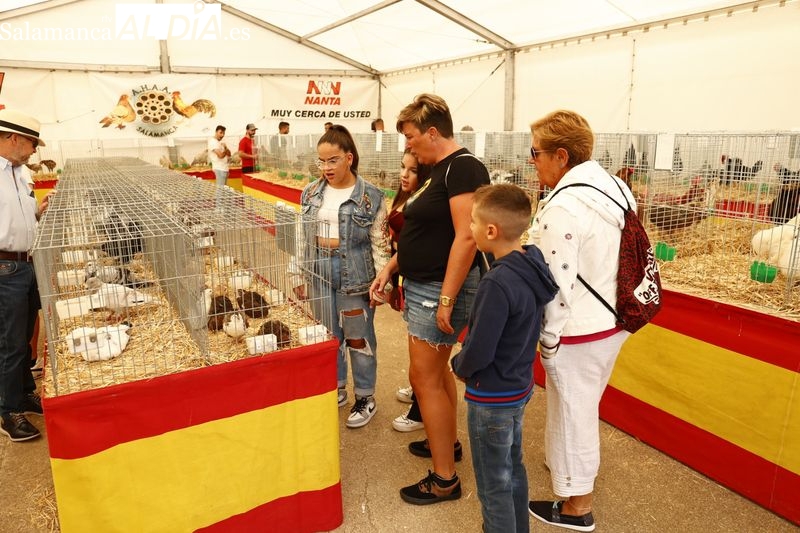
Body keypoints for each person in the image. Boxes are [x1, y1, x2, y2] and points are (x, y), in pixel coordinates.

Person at [370, 93, 490, 505]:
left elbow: (467, 236)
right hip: (425, 285)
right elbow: (427, 233)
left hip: (439, 290)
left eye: (410, 136)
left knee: (423, 379)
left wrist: (446, 299)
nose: (408, 145)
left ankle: (444, 479)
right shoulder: (439, 170)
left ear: (433, 132)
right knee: (434, 375)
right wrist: (392, 266)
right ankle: (447, 446)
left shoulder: (463, 168)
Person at [526, 110, 636, 532]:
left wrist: (548, 338)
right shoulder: (613, 186)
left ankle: (577, 507)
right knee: (579, 404)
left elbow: (558, 283)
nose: (532, 160)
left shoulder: (564, 206)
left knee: (575, 410)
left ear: (561, 155)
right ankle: (566, 471)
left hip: (579, 328)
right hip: (613, 316)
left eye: (536, 153)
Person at [451, 183, 557, 533]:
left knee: (493, 483)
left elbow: (480, 349)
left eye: (473, 223)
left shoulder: (496, 284)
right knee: (513, 467)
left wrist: (459, 365)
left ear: (491, 231)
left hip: (491, 397)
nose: (470, 229)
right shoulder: (532, 263)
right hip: (518, 387)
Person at [295, 124, 389, 429]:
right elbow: (301, 233)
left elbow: (379, 240)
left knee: (358, 336)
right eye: (321, 162)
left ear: (349, 157)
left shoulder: (370, 196)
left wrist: (381, 281)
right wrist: (297, 271)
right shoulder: (310, 192)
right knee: (327, 335)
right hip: (318, 269)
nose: (325, 168)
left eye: (332, 160)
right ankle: (335, 386)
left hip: (355, 274)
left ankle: (365, 396)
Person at [0, 109, 53, 442]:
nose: (35, 150)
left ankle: (23, 393)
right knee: (9, 343)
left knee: (23, 337)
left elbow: (16, 214)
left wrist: (38, 210)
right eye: (33, 143)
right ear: (15, 138)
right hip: (4, 267)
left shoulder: (19, 173)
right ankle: (8, 411)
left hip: (26, 262)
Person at [386, 149, 430, 433]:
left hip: (416, 275)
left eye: (412, 170)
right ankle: (419, 390)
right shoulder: (405, 197)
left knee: (422, 345)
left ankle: (421, 410)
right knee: (413, 337)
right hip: (404, 273)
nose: (404, 174)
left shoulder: (423, 203)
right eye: (403, 168)